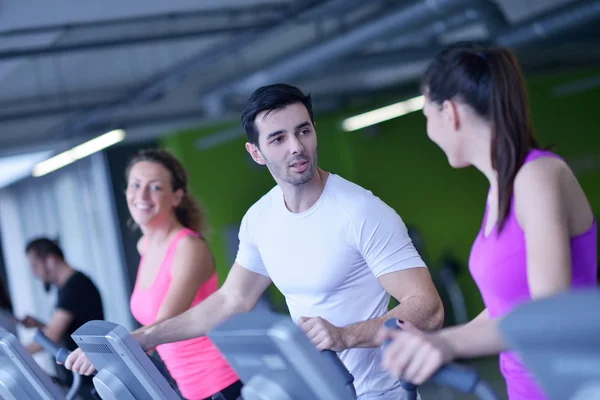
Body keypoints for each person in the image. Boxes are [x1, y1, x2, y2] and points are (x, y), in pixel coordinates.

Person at [66, 84, 444, 400]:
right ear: (256, 153)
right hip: (316, 389)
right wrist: (138, 339)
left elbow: (428, 308)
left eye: (303, 131)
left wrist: (346, 335)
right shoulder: (260, 219)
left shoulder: (360, 211)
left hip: (378, 392)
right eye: (278, 138)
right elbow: (231, 301)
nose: (296, 146)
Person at [377, 43, 597, 400]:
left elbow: (549, 316)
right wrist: (434, 341)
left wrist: (449, 342)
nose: (429, 131)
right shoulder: (500, 192)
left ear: (450, 113)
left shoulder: (538, 175)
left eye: (427, 116)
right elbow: (505, 308)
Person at [70, 149, 242, 400]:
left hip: (219, 379)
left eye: (155, 187)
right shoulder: (146, 246)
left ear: (176, 197)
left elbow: (164, 323)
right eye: (135, 185)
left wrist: (104, 351)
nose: (142, 195)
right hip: (184, 384)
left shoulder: (188, 248)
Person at [20, 237, 105, 398]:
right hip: (80, 376)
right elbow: (67, 331)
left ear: (50, 260)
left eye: (35, 265)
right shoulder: (67, 287)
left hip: (87, 378)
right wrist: (39, 325)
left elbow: (52, 336)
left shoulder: (75, 286)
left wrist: (14, 352)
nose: (34, 273)